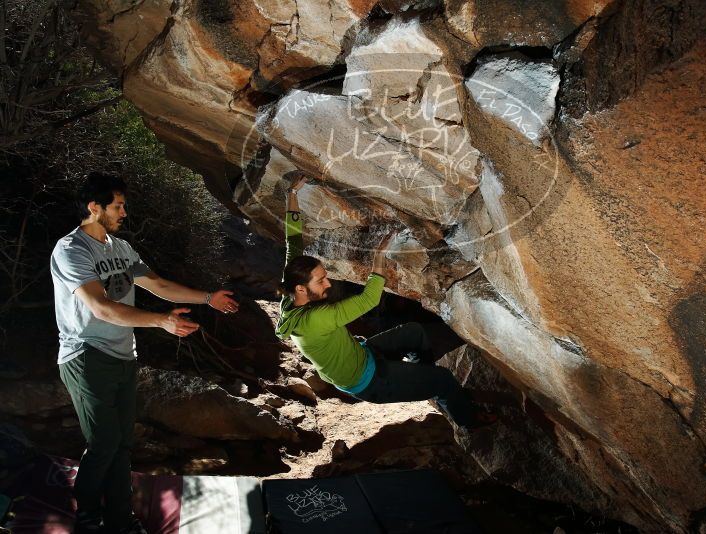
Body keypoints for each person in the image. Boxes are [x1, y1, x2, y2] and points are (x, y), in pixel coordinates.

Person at [50, 172, 239, 534]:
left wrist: (207, 298)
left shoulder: (121, 249)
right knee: (104, 440)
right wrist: (161, 322)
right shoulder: (71, 249)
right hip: (85, 355)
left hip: (123, 356)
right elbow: (101, 308)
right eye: (117, 206)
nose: (124, 212)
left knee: (121, 444)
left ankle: (121, 517)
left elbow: (158, 284)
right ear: (95, 207)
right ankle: (88, 517)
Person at [274, 175, 487, 429]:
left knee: (415, 333)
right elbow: (369, 298)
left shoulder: (291, 296)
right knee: (443, 378)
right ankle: (469, 423)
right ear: (301, 288)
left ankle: (424, 382)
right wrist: (379, 258)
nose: (328, 284)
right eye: (321, 281)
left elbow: (293, 243)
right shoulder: (315, 320)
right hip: (369, 380)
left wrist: (292, 194)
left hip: (363, 353)